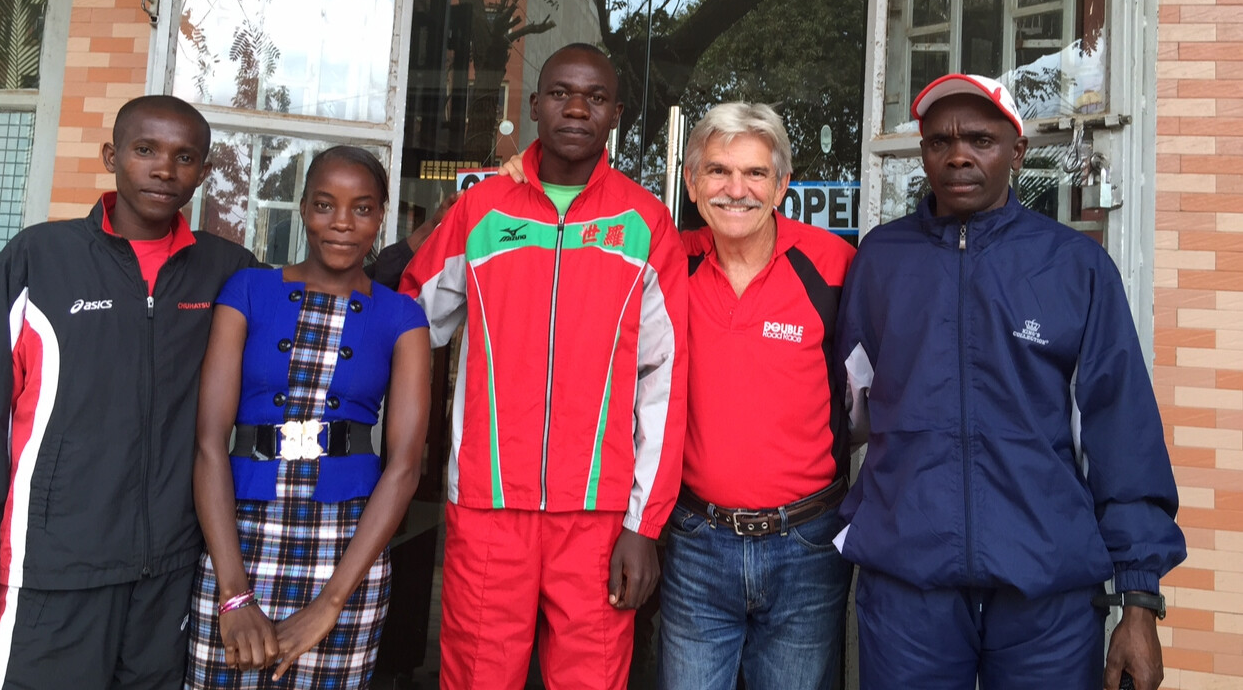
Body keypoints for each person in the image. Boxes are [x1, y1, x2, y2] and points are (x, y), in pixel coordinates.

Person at [834, 74, 1186, 690]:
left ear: (1017, 151)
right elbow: (851, 407)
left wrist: (1139, 598)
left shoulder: (1075, 266)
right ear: (924, 154)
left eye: (980, 139)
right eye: (940, 141)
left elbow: (1122, 433)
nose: (958, 155)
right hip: (908, 584)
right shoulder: (881, 260)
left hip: (1046, 586)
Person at [394, 42, 688, 690]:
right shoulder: (482, 210)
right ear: (533, 105)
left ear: (616, 114)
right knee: (477, 677)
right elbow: (410, 322)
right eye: (560, 93)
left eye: (596, 98)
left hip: (600, 515)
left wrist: (644, 526)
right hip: (488, 505)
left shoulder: (645, 222)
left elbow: (664, 383)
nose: (577, 109)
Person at [0, 96, 256, 690]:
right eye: (145, 150)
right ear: (110, 156)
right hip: (50, 575)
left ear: (203, 172)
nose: (164, 169)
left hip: (168, 578)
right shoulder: (39, 258)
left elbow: (315, 306)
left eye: (184, 157)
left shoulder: (227, 271)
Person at [184, 146, 430, 690]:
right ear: (302, 208)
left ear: (381, 215)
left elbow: (405, 467)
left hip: (349, 550)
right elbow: (208, 443)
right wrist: (234, 595)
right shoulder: (248, 292)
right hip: (238, 539)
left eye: (361, 208)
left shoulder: (403, 316)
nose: (342, 223)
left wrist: (329, 605)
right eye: (324, 204)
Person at [657, 103, 855, 690]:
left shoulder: (834, 266)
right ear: (692, 183)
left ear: (782, 184)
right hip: (696, 541)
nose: (736, 190)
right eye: (718, 171)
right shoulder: (668, 263)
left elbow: (872, 395)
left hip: (808, 544)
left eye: (755, 173)